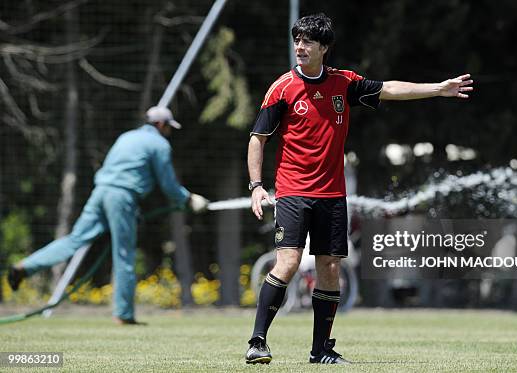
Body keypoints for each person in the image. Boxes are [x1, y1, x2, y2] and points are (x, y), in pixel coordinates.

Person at [245, 13, 474, 364]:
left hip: (333, 195)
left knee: (331, 269)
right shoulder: (282, 88)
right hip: (293, 191)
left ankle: (321, 350)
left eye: (308, 41)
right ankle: (258, 341)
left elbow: (390, 88)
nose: (300, 47)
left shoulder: (344, 83)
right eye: (297, 40)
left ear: (324, 48)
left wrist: (438, 89)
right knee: (288, 262)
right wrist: (257, 185)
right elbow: (258, 139)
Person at [8, 106, 208, 324]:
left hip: (101, 191)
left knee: (74, 240)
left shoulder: (127, 136)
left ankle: (25, 267)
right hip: (122, 197)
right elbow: (168, 185)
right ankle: (123, 314)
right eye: (169, 126)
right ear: (160, 125)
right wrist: (189, 199)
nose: (170, 131)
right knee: (124, 254)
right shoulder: (159, 144)